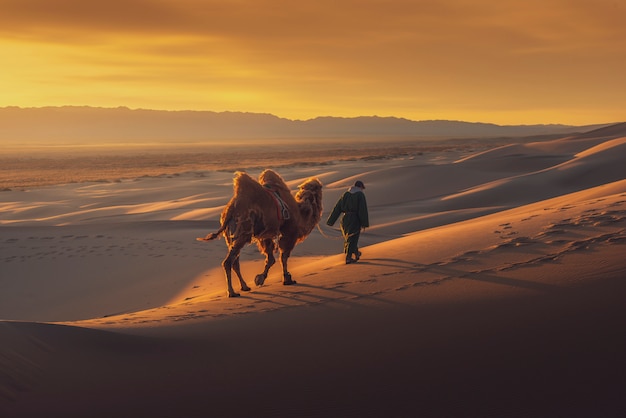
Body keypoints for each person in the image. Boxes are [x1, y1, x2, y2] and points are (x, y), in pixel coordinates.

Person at [326, 180, 369, 264]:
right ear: (360, 186)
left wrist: (331, 221)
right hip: (354, 219)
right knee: (353, 238)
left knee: (349, 237)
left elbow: (337, 208)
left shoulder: (346, 194)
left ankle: (356, 253)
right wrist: (364, 223)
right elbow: (362, 210)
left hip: (345, 219)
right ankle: (348, 257)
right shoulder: (360, 195)